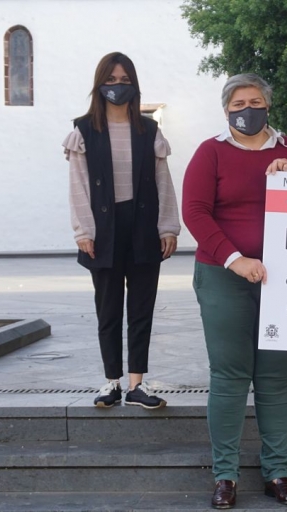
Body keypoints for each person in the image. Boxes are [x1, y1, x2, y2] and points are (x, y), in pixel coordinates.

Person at [182, 73, 287, 510]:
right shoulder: (211, 152)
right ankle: (226, 475)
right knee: (229, 376)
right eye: (238, 103)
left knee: (276, 379)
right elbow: (196, 213)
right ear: (226, 110)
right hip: (223, 275)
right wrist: (234, 259)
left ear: (267, 106)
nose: (247, 109)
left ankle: (278, 471)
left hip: (284, 279)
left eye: (255, 101)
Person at [64, 52, 180, 410]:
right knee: (109, 308)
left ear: (134, 85)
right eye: (111, 80)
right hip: (103, 229)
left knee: (142, 308)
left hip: (142, 226)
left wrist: (168, 227)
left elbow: (163, 181)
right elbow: (78, 184)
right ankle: (111, 382)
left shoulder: (149, 130)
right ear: (99, 85)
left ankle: (136, 385)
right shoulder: (83, 130)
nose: (117, 87)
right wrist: (83, 230)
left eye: (124, 80)